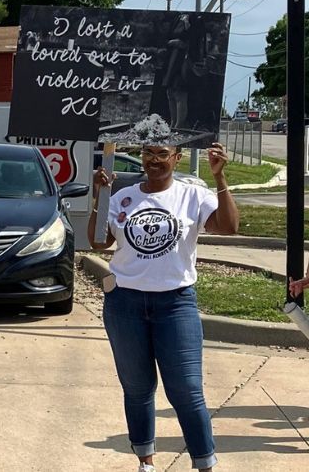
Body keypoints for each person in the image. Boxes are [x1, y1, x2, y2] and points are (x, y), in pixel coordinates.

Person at [88, 142, 238, 472]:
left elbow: (228, 227)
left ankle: (204, 464)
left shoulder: (192, 195)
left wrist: (220, 178)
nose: (154, 161)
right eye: (148, 154)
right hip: (125, 303)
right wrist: (100, 194)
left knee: (186, 390)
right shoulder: (122, 197)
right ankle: (146, 462)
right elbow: (99, 242)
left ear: (176, 157)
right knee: (138, 388)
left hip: (175, 304)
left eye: (161, 154)